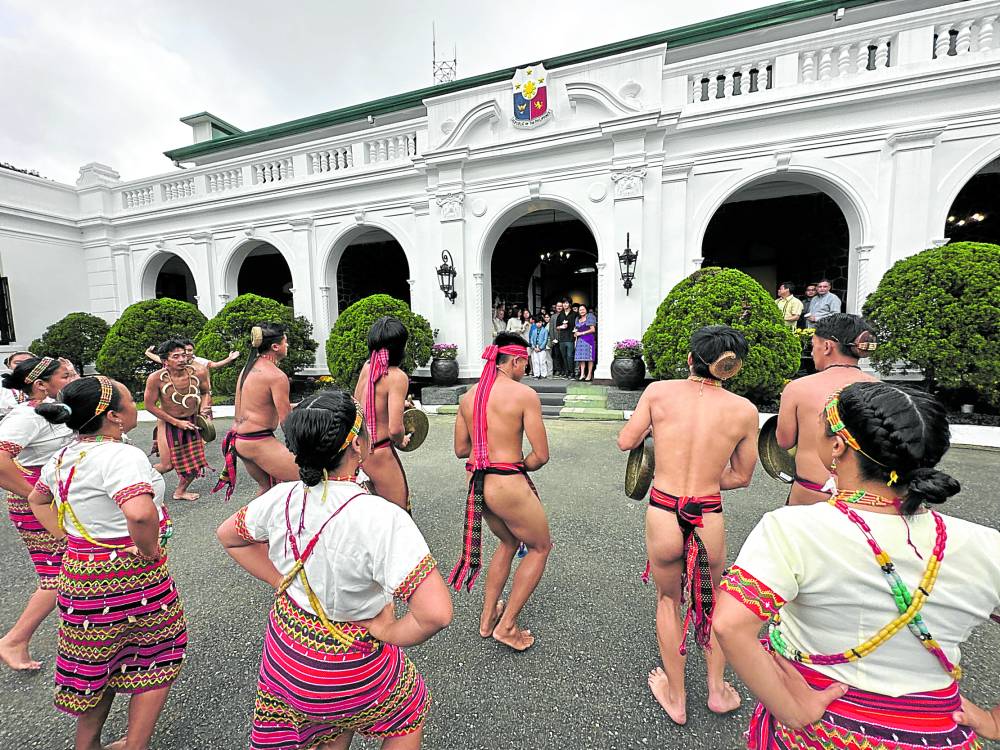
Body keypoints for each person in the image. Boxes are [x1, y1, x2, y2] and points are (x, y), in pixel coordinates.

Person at [714, 381, 1000, 749]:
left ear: (837, 446)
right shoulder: (987, 547)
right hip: (934, 732)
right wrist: (993, 721)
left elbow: (730, 624)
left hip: (820, 731)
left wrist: (791, 709)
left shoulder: (794, 529)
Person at [216, 388, 452, 750]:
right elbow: (435, 614)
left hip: (287, 653)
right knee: (406, 713)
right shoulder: (380, 516)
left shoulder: (283, 496)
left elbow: (229, 536)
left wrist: (283, 580)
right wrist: (387, 630)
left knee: (326, 727)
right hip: (348, 663)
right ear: (356, 445)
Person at [29, 376, 186, 749]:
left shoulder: (63, 455)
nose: (136, 407)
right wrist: (149, 551)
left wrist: (68, 539)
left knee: (99, 662)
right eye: (131, 401)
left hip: (80, 573)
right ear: (114, 416)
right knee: (155, 654)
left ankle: (87, 745)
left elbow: (37, 500)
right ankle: (135, 745)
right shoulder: (121, 455)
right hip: (129, 576)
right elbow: (140, 514)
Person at [616, 326, 758, 725]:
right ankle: (716, 690)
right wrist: (708, 478)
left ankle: (676, 698)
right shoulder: (744, 410)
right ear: (731, 368)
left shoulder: (658, 392)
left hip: (664, 511)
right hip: (708, 515)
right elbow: (742, 476)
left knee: (668, 601)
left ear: (692, 359)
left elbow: (626, 441)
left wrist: (660, 450)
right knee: (709, 601)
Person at [452, 332, 551, 651]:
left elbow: (460, 449)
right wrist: (522, 464)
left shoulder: (469, 397)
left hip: (479, 485)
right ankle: (506, 625)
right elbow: (541, 455)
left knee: (508, 542)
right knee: (540, 547)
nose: (526, 369)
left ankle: (486, 620)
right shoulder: (523, 395)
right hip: (508, 482)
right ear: (516, 360)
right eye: (524, 363)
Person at [0, 356, 75, 670]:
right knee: (58, 576)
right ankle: (14, 639)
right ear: (40, 385)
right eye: (66, 376)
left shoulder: (58, 409)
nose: (73, 379)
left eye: (74, 374)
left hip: (54, 498)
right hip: (37, 503)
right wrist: (35, 496)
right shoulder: (26, 416)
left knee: (69, 570)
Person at [777, 314, 878, 505]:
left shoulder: (798, 388)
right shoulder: (881, 389)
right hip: (863, 497)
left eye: (813, 345)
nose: (812, 351)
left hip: (810, 493)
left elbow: (784, 441)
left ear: (827, 346)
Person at [215, 323, 298, 500]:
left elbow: (260, 405)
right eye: (285, 342)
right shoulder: (276, 375)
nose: (287, 346)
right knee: (308, 477)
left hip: (240, 441)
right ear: (275, 347)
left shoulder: (249, 367)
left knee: (267, 489)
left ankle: (245, 526)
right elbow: (286, 421)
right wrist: (299, 448)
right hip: (257, 441)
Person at [353, 316, 412, 512]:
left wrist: (398, 403)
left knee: (372, 516)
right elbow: (395, 429)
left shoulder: (367, 367)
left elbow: (360, 402)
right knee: (398, 515)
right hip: (378, 452)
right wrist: (401, 440)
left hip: (357, 449)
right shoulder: (396, 376)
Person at [142, 339, 211, 501]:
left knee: (195, 463)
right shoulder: (156, 378)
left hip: (193, 421)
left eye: (183, 355)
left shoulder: (198, 372)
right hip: (167, 423)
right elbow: (149, 405)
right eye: (176, 356)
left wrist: (204, 408)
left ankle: (180, 491)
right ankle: (137, 484)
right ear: (165, 361)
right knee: (166, 465)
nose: (182, 359)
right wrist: (176, 422)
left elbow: (206, 392)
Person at [1, 351, 35, 418]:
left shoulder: (45, 383)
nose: (23, 365)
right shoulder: (1, 383)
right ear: (9, 365)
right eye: (17, 363)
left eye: (28, 362)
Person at [573, 304, 597, 381]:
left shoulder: (590, 316)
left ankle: (589, 374)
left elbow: (593, 330)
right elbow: (576, 329)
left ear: (586, 310)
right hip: (580, 340)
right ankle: (582, 374)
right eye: (580, 310)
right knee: (581, 358)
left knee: (590, 358)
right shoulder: (577, 319)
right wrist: (576, 334)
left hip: (588, 339)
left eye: (583, 309)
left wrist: (581, 333)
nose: (582, 311)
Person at [555, 300, 574, 378]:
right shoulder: (560, 315)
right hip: (562, 338)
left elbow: (577, 325)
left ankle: (572, 371)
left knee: (570, 356)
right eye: (564, 303)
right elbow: (557, 327)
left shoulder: (574, 314)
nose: (565, 304)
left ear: (569, 304)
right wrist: (561, 327)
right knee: (564, 356)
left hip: (570, 338)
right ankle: (566, 371)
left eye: (566, 303)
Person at [547, 304, 562, 377]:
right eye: (558, 306)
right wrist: (553, 339)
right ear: (555, 308)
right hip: (555, 339)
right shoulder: (553, 316)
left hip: (564, 339)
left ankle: (565, 370)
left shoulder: (565, 315)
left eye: (560, 306)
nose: (559, 307)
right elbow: (551, 328)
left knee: (564, 355)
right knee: (556, 355)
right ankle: (558, 370)